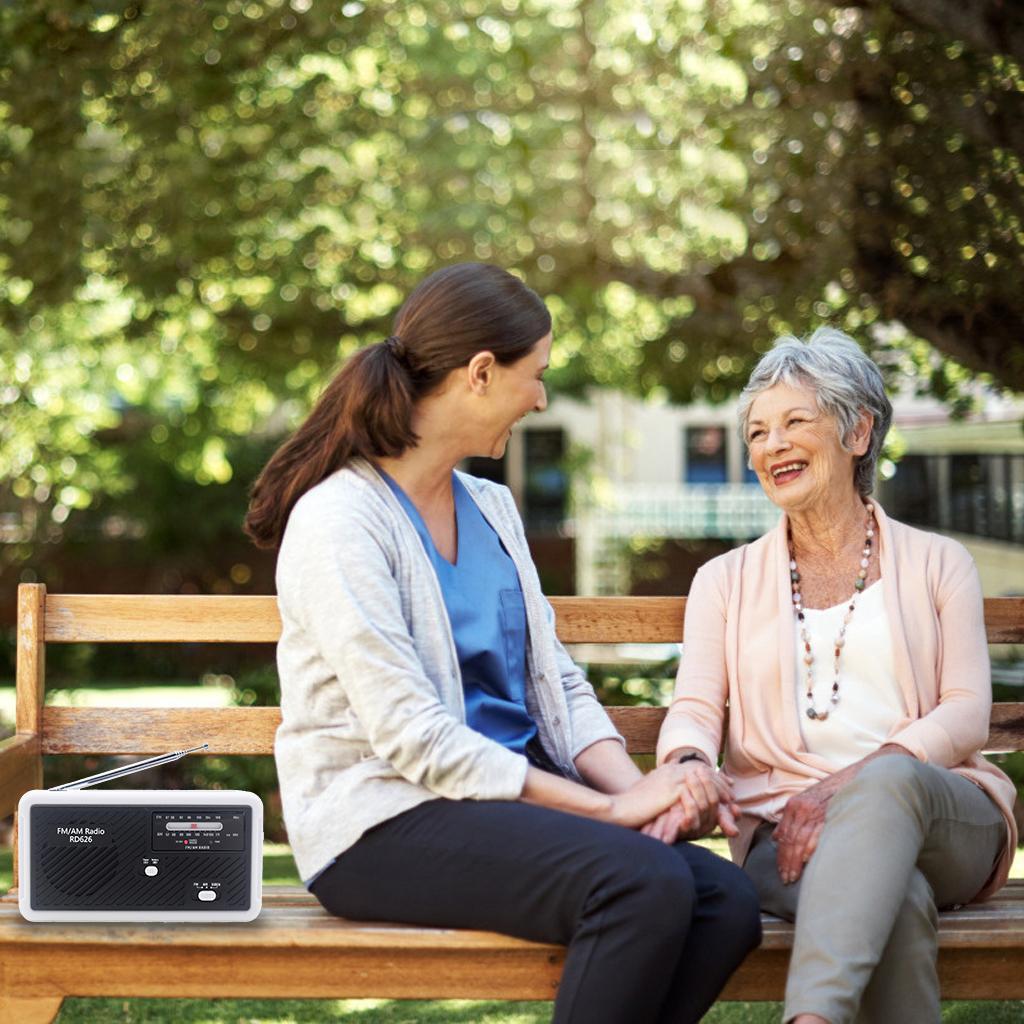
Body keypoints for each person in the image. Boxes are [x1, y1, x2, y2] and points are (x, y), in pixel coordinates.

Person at [244, 262, 761, 1024]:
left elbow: (559, 686)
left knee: (726, 901)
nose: (542, 398)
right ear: (480, 373)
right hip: (381, 823)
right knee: (640, 883)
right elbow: (413, 738)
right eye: (536, 375)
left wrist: (638, 794)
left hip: (505, 807)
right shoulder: (340, 522)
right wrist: (611, 816)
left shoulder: (490, 506)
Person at [656, 327, 1017, 1024]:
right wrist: (690, 759)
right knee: (899, 900)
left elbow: (967, 711)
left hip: (944, 812)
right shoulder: (722, 581)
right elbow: (695, 705)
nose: (771, 446)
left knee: (889, 779)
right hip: (783, 826)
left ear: (858, 431)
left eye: (795, 422)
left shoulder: (940, 563)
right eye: (757, 431)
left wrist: (846, 786)